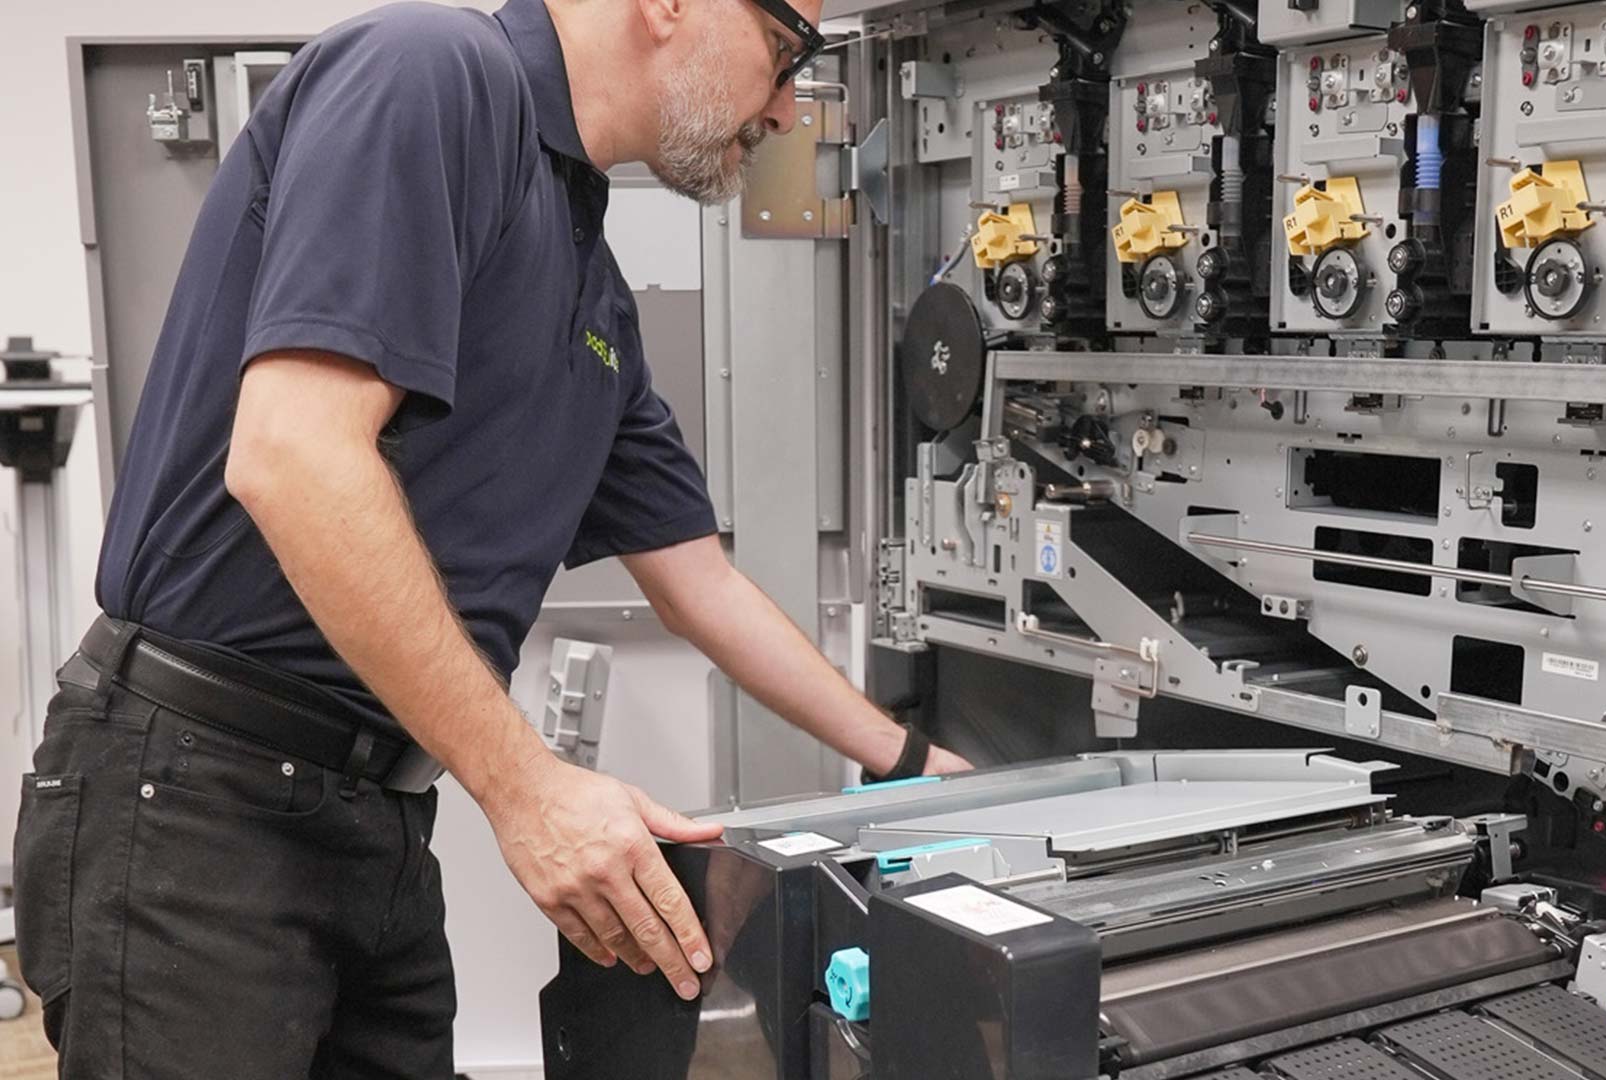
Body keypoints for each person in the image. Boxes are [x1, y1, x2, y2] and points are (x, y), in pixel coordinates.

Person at [11, 0, 970, 1074]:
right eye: (788, 55)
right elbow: (293, 457)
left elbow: (701, 584)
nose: (792, 110)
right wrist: (528, 790)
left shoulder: (591, 286)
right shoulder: (432, 75)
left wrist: (918, 766)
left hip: (376, 824)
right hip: (196, 803)